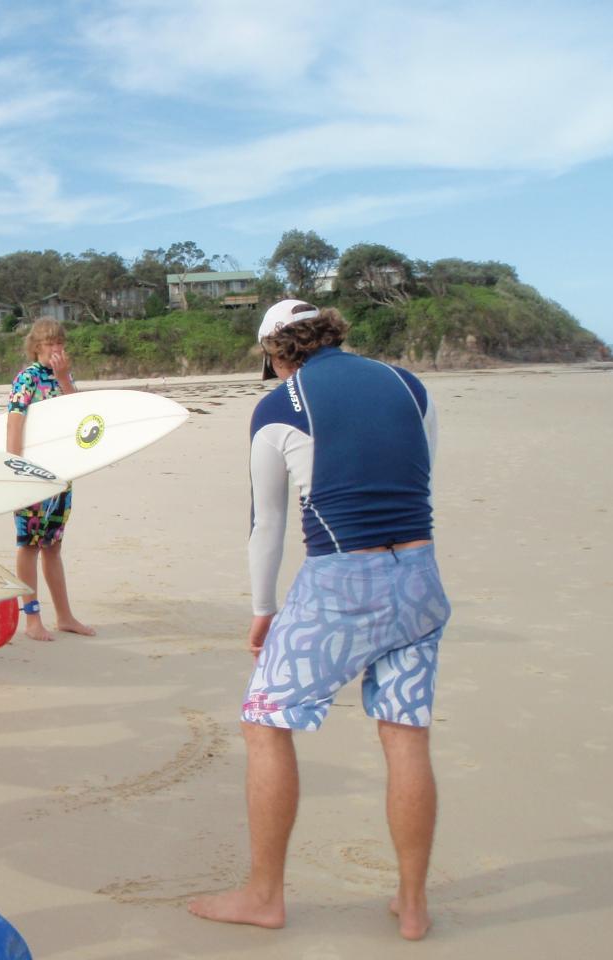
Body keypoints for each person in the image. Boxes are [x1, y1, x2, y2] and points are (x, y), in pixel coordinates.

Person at [188, 300, 450, 941]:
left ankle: (264, 895)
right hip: (419, 575)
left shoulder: (280, 404)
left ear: (275, 352)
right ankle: (412, 905)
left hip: (340, 581)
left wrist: (262, 609)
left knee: (265, 721)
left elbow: (267, 521)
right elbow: (418, 477)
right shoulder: (408, 385)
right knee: (405, 732)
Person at [5, 317, 94, 642]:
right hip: (30, 472)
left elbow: (80, 416)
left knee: (53, 546)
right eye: (50, 343)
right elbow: (15, 422)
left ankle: (65, 616)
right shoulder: (26, 378)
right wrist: (14, 468)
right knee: (28, 545)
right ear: (36, 346)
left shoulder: (63, 376)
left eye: (60, 343)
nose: (57, 348)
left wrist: (63, 378)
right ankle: (32, 619)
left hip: (61, 473)